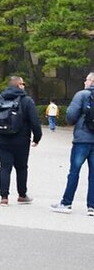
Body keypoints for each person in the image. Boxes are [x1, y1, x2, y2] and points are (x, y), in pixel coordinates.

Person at [0, 76, 42, 206]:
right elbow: (35, 122)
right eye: (23, 84)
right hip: (21, 140)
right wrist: (37, 138)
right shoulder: (26, 101)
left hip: (2, 140)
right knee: (21, 168)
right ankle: (22, 195)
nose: (24, 86)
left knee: (4, 167)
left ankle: (4, 197)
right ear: (18, 85)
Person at [50, 73, 94, 216]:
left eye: (87, 79)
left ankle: (66, 202)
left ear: (91, 81)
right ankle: (91, 207)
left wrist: (73, 123)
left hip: (82, 139)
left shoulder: (82, 95)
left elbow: (70, 115)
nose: (85, 82)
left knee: (74, 172)